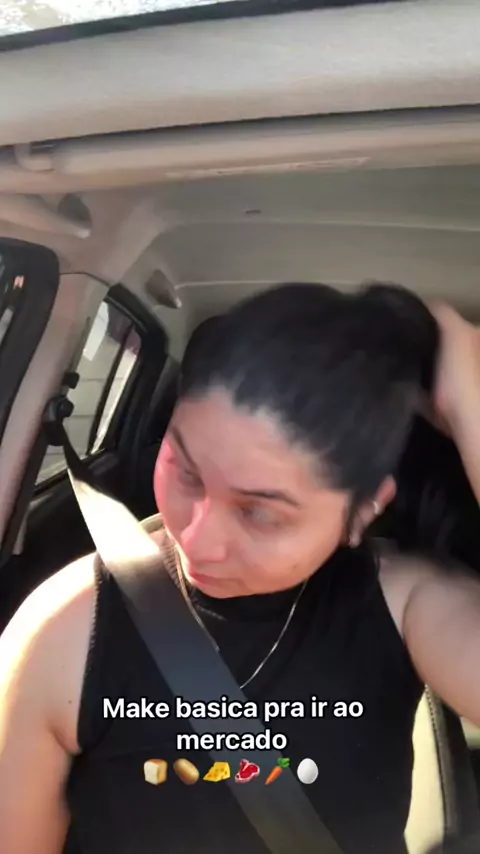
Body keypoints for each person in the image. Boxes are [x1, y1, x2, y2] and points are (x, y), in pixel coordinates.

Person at [1, 281, 480, 854]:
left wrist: (469, 402)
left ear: (365, 510)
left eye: (260, 514)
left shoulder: (405, 605)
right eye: (186, 471)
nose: (196, 541)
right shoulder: (65, 628)